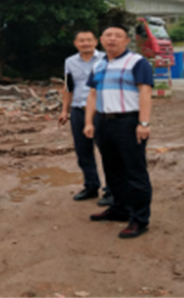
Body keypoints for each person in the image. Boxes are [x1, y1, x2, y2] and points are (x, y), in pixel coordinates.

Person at [83, 25, 154, 239]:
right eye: (108, 35)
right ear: (101, 40)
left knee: (134, 171)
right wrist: (89, 122)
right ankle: (119, 209)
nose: (112, 39)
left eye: (118, 36)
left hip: (128, 122)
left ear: (126, 41)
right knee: (112, 169)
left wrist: (143, 123)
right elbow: (93, 94)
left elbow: (145, 91)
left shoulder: (137, 62)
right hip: (103, 122)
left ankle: (139, 219)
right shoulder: (99, 64)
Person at [58, 29, 113, 206]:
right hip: (78, 110)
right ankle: (91, 186)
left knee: (107, 151)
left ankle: (112, 190)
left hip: (101, 111)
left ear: (96, 42)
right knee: (83, 151)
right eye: (81, 41)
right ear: (76, 44)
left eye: (89, 40)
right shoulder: (70, 62)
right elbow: (68, 87)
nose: (85, 43)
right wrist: (64, 110)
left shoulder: (106, 59)